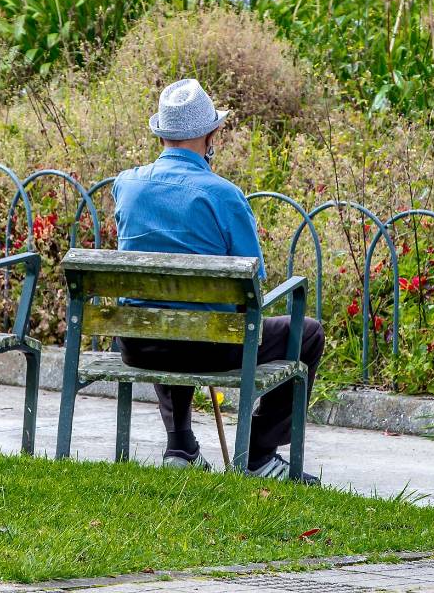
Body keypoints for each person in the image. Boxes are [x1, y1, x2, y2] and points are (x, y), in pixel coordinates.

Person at [112, 78, 324, 483]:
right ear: (211, 135)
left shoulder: (127, 185)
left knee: (163, 316)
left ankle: (181, 446)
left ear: (161, 133)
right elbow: (253, 285)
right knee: (308, 333)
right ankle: (260, 453)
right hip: (211, 346)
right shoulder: (224, 195)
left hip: (138, 344)